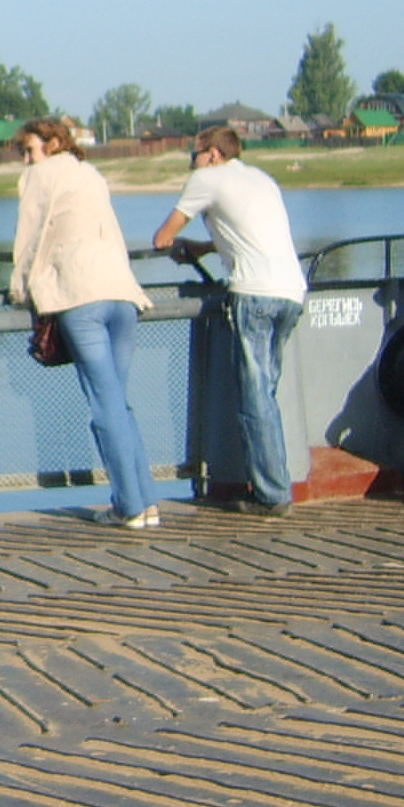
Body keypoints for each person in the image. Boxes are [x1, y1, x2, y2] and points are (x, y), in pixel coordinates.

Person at [9, 116, 159, 528]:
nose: (26, 160)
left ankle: (128, 506)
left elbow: (30, 238)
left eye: (29, 150)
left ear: (53, 144)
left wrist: (20, 290)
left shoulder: (40, 176)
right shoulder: (91, 173)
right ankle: (147, 502)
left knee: (103, 404)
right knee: (118, 402)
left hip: (81, 296)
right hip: (122, 294)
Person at [152, 124, 308, 516]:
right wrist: (207, 247)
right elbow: (248, 233)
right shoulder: (261, 179)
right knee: (266, 392)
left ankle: (272, 495)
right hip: (291, 291)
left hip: (254, 293)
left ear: (213, 154)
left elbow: (163, 237)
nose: (192, 162)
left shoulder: (206, 179)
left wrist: (179, 245)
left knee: (255, 399)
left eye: (194, 154)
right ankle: (274, 484)